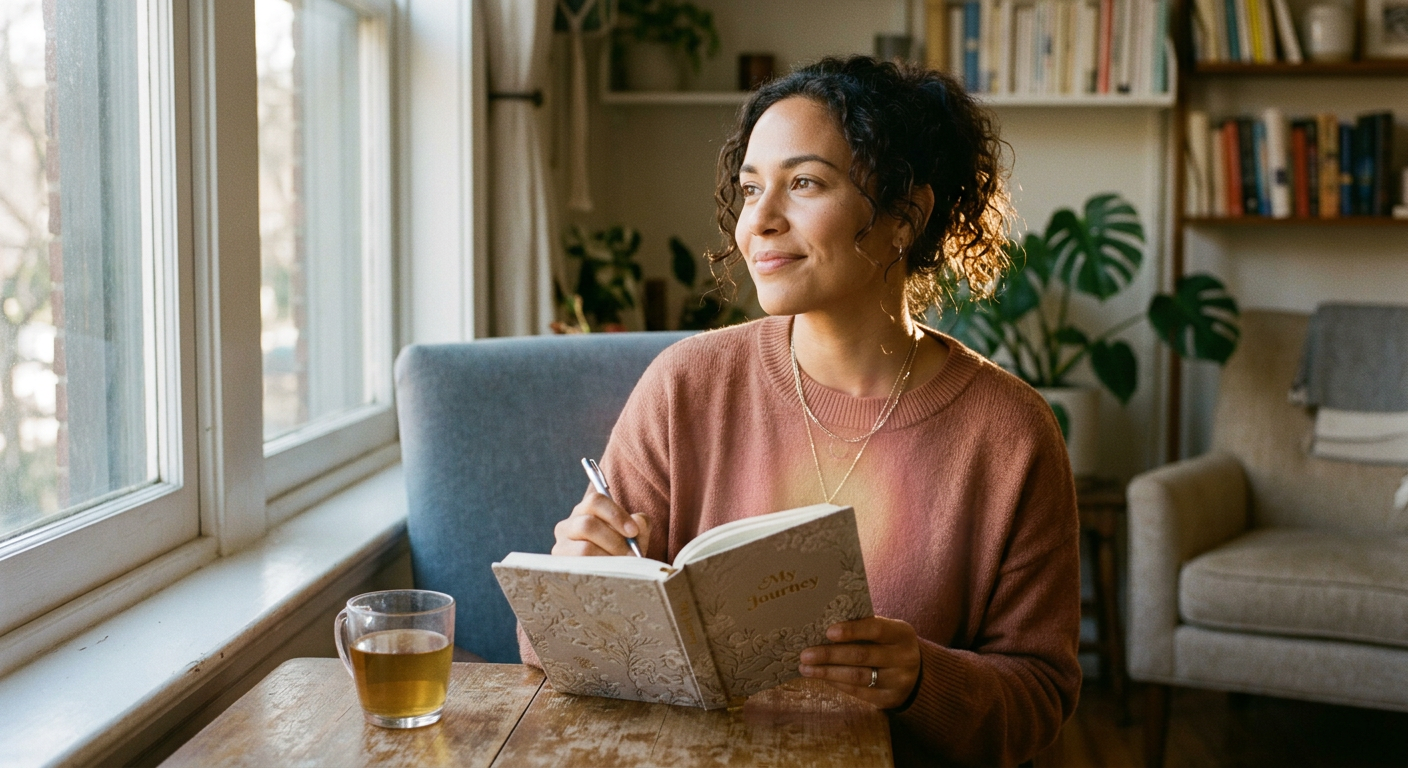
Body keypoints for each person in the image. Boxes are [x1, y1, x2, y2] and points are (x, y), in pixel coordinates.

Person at [526, 55, 1081, 767]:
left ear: (904, 216)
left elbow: (1039, 701)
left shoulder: (1011, 434)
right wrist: (577, 583)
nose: (759, 220)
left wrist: (921, 679)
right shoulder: (686, 385)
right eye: (752, 188)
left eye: (805, 184)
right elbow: (553, 657)